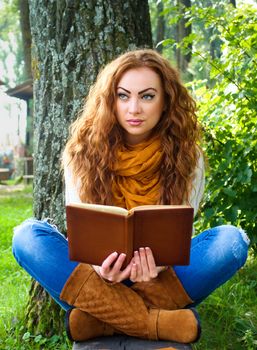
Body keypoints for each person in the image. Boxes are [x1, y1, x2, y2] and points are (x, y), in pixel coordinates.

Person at [12, 49, 250, 344]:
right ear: (110, 100)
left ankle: (100, 319)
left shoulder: (189, 157)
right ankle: (157, 322)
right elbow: (81, 226)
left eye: (147, 96)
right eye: (123, 96)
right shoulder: (81, 152)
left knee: (232, 242)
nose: (134, 108)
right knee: (26, 237)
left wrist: (155, 269)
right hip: (99, 274)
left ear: (166, 102)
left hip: (159, 275)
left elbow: (180, 232)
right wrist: (101, 268)